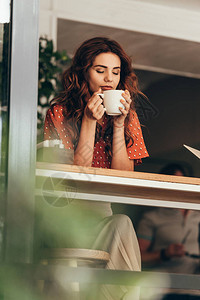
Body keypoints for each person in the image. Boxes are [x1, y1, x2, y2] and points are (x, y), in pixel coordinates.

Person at [43, 37, 149, 299]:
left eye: (115, 72)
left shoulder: (128, 115)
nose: (108, 79)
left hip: (102, 212)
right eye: (100, 70)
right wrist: (89, 123)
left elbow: (124, 180)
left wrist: (120, 125)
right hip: (68, 214)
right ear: (83, 72)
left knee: (123, 223)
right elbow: (75, 176)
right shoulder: (60, 112)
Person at [137, 164, 200, 299]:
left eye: (183, 183)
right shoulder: (152, 217)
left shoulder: (198, 214)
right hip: (164, 290)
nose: (180, 188)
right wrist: (165, 254)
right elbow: (137, 258)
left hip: (196, 290)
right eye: (175, 183)